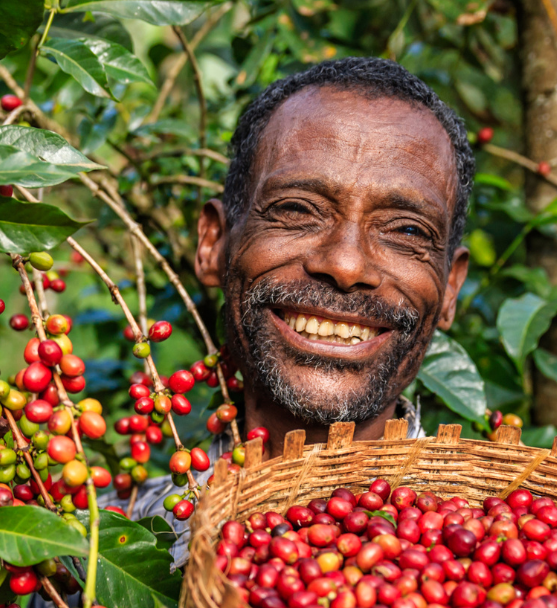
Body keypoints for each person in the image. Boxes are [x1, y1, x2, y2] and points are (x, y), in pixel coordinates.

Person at [103, 55, 475, 570]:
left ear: (450, 288)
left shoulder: (498, 532)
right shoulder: (102, 553)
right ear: (214, 243)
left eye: (407, 231)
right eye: (298, 210)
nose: (345, 266)